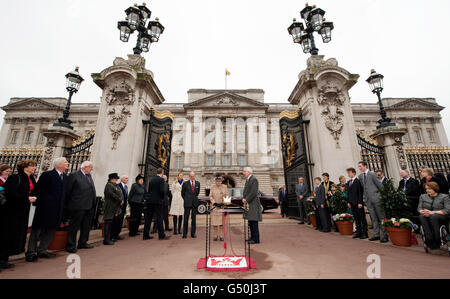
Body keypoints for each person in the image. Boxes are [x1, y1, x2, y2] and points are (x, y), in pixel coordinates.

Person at [26, 157, 69, 262]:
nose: (67, 163)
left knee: (51, 229)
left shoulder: (65, 177)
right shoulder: (48, 175)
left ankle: (43, 250)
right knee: (37, 230)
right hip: (45, 207)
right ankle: (31, 251)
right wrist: (41, 202)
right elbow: (38, 190)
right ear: (58, 165)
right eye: (65, 162)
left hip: (57, 208)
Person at [0, 160, 37, 270]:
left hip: (23, 210)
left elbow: (34, 190)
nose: (34, 168)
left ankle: (5, 258)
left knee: (16, 233)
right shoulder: (15, 178)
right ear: (25, 167)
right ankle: (2, 258)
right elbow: (10, 193)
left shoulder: (30, 178)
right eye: (32, 166)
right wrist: (26, 199)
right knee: (7, 233)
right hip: (11, 211)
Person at [65, 161, 96, 253]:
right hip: (77, 205)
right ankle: (71, 245)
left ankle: (83, 242)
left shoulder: (89, 176)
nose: (92, 169)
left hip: (89, 205)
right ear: (85, 167)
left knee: (86, 226)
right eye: (90, 167)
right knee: (74, 226)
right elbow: (68, 191)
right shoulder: (74, 175)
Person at [358, 161, 388, 243]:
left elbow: (380, 186)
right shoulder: (360, 176)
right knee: (373, 218)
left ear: (365, 166)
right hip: (368, 200)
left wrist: (381, 197)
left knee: (381, 217)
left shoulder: (372, 174)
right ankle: (376, 234)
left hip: (377, 199)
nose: (359, 168)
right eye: (359, 166)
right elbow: (363, 188)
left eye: (360, 166)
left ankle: (385, 235)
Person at [418, 182, 450, 249]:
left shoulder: (444, 197)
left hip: (440, 215)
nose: (427, 190)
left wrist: (432, 212)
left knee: (434, 216)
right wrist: (423, 212)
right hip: (426, 215)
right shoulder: (423, 196)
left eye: (429, 189)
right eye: (426, 189)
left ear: (435, 188)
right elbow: (419, 208)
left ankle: (437, 238)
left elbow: (447, 210)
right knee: (421, 216)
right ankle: (429, 238)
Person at [143, 168, 170, 240]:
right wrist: (161, 198)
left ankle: (145, 235)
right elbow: (162, 191)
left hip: (150, 201)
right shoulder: (161, 179)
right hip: (158, 201)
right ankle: (161, 235)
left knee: (148, 218)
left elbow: (149, 190)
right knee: (159, 218)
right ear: (162, 172)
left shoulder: (152, 179)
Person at [346, 168, 368, 239]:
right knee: (356, 218)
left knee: (362, 218)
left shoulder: (357, 181)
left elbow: (360, 192)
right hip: (352, 203)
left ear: (354, 173)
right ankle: (358, 232)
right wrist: (348, 202)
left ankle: (365, 232)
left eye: (349, 173)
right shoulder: (349, 182)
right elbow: (348, 193)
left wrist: (360, 202)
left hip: (358, 203)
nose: (348, 174)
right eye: (348, 173)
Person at [242, 167, 262, 244]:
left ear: (248, 172)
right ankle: (252, 237)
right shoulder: (248, 180)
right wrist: (244, 198)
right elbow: (246, 191)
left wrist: (246, 199)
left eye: (244, 171)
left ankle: (256, 239)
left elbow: (253, 192)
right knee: (250, 221)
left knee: (254, 222)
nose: (243, 173)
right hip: (249, 204)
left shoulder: (254, 179)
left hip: (252, 203)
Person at [103, 173, 123, 245]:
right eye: (115, 178)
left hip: (115, 206)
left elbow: (119, 193)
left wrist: (121, 200)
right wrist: (120, 199)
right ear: (112, 179)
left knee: (112, 222)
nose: (116, 180)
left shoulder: (115, 185)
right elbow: (111, 194)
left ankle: (111, 237)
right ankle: (106, 239)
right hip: (109, 206)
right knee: (108, 222)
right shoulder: (109, 185)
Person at [181, 171, 200, 239]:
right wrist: (186, 199)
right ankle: (184, 234)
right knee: (186, 218)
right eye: (191, 176)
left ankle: (193, 233)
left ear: (194, 176)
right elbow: (182, 193)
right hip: (187, 203)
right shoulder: (185, 183)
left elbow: (197, 193)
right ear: (189, 176)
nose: (192, 177)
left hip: (194, 203)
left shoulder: (198, 183)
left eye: (193, 176)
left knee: (193, 219)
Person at [210, 176, 228, 241]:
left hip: (222, 206)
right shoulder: (212, 187)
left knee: (221, 222)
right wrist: (214, 203)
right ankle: (215, 235)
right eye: (217, 181)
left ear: (221, 181)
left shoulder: (225, 187)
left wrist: (224, 204)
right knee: (214, 222)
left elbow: (227, 196)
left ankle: (221, 235)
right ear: (215, 181)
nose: (218, 182)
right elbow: (210, 196)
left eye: (220, 181)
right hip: (214, 207)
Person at [111, 175, 129, 241]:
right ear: (122, 179)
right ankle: (113, 235)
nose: (127, 179)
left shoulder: (126, 187)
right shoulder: (118, 186)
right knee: (116, 221)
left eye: (127, 178)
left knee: (120, 221)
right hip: (118, 206)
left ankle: (117, 234)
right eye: (126, 178)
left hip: (123, 206)